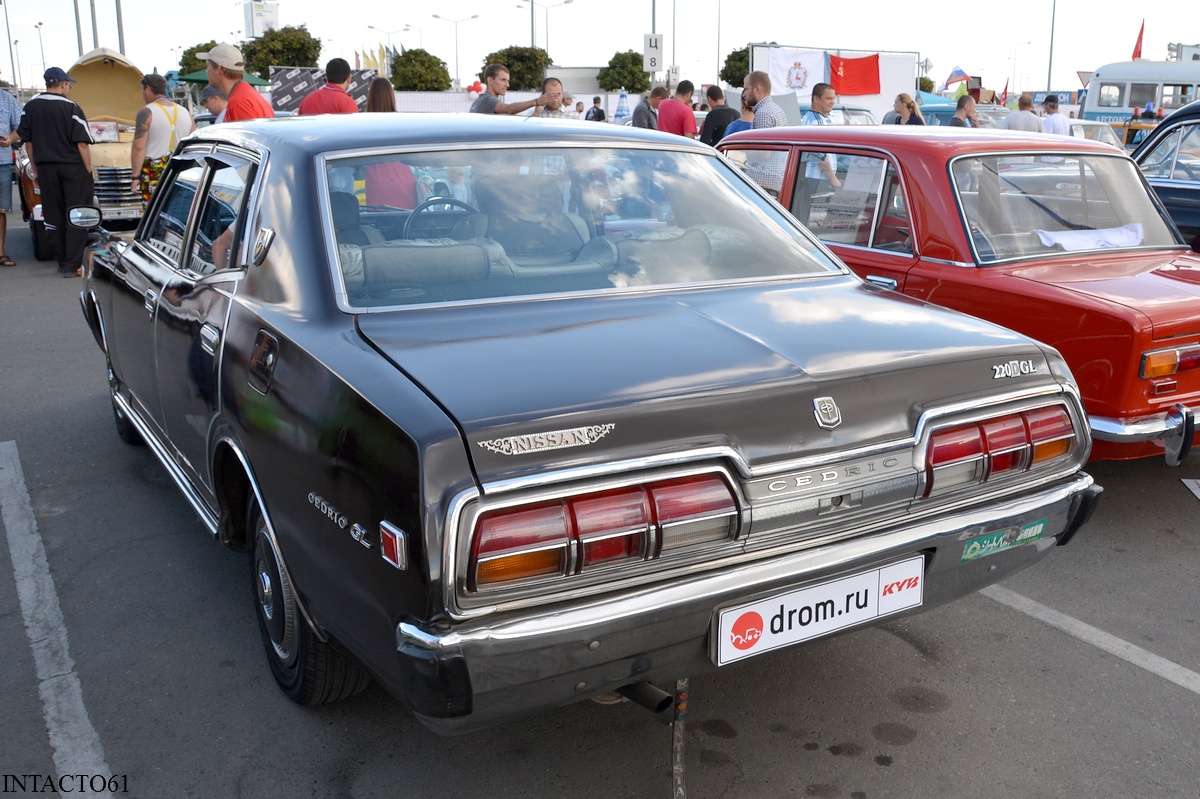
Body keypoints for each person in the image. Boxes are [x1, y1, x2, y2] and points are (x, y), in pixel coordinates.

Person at [16, 67, 94, 277]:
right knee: (77, 213)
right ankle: (73, 264)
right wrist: (89, 169)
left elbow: (28, 142)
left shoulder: (31, 106)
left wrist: (36, 170)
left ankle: (62, 261)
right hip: (72, 168)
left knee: (53, 214)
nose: (69, 87)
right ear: (62, 84)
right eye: (68, 84)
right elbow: (82, 143)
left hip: (46, 168)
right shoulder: (72, 107)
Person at [130, 73, 194, 206]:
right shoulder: (185, 112)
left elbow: (139, 147)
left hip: (153, 171)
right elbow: (192, 143)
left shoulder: (146, 112)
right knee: (175, 212)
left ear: (148, 88)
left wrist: (135, 176)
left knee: (153, 213)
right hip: (179, 170)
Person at [363, 76, 416, 209]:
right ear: (391, 96)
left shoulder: (364, 123)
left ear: (371, 97)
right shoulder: (402, 122)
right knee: (407, 223)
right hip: (403, 178)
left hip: (376, 180)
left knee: (379, 224)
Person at [199, 43, 273, 122]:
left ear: (218, 68)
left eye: (208, 66)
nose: (206, 71)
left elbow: (245, 134)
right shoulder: (245, 94)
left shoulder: (239, 102)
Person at [470, 64, 557, 115]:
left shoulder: (479, 101)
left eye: (508, 81)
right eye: (503, 80)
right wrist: (536, 102)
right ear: (490, 80)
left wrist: (535, 113)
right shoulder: (489, 100)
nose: (507, 85)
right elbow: (509, 109)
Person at [0, 88, 24, 267]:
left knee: (0, 209)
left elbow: (21, 126)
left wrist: (10, 138)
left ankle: (1, 253)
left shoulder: (7, 99)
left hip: (2, 161)